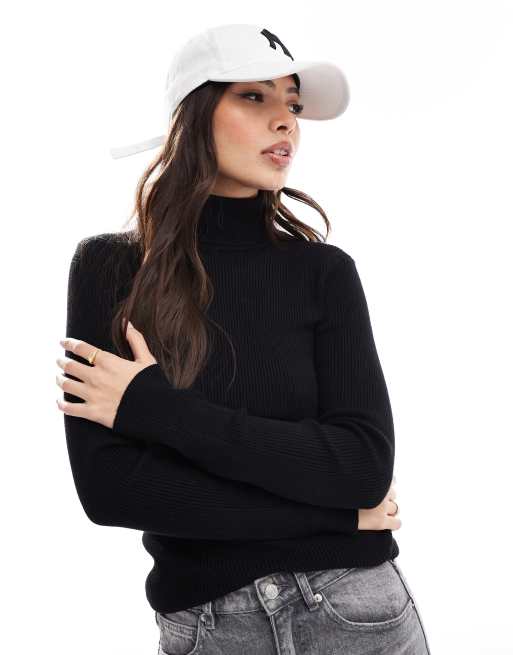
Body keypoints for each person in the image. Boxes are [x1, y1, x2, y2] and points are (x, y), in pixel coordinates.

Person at [56, 23, 431, 654]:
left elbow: (363, 467)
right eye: (254, 96)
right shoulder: (110, 270)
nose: (285, 121)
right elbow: (111, 490)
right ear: (193, 115)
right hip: (210, 627)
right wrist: (336, 515)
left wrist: (155, 408)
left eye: (292, 103)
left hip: (355, 612)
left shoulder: (323, 272)